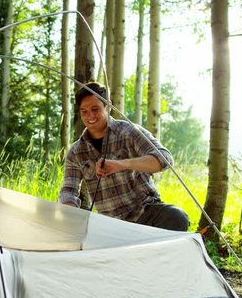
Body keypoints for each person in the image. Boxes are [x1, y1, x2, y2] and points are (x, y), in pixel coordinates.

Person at [58, 82, 190, 232]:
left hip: (146, 213)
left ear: (108, 105)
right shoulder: (76, 152)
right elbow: (69, 190)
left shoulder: (129, 131)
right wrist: (68, 212)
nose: (90, 116)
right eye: (84, 111)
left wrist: (121, 164)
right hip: (110, 225)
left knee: (176, 216)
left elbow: (165, 159)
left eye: (95, 109)